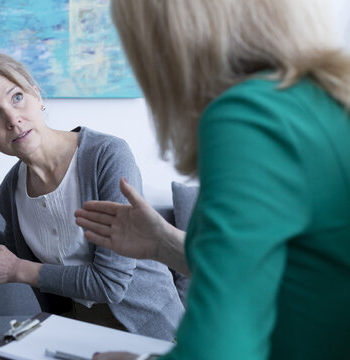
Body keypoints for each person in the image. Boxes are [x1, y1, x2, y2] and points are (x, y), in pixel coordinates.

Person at [74, 0, 350, 359]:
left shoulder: (251, 115)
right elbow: (289, 271)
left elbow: (222, 349)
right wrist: (163, 243)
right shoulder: (318, 102)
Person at [0, 52, 184, 340]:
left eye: (16, 97)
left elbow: (111, 283)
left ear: (37, 96)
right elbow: (15, 254)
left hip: (150, 333)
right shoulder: (9, 191)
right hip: (73, 332)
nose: (13, 119)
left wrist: (17, 270)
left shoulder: (106, 156)